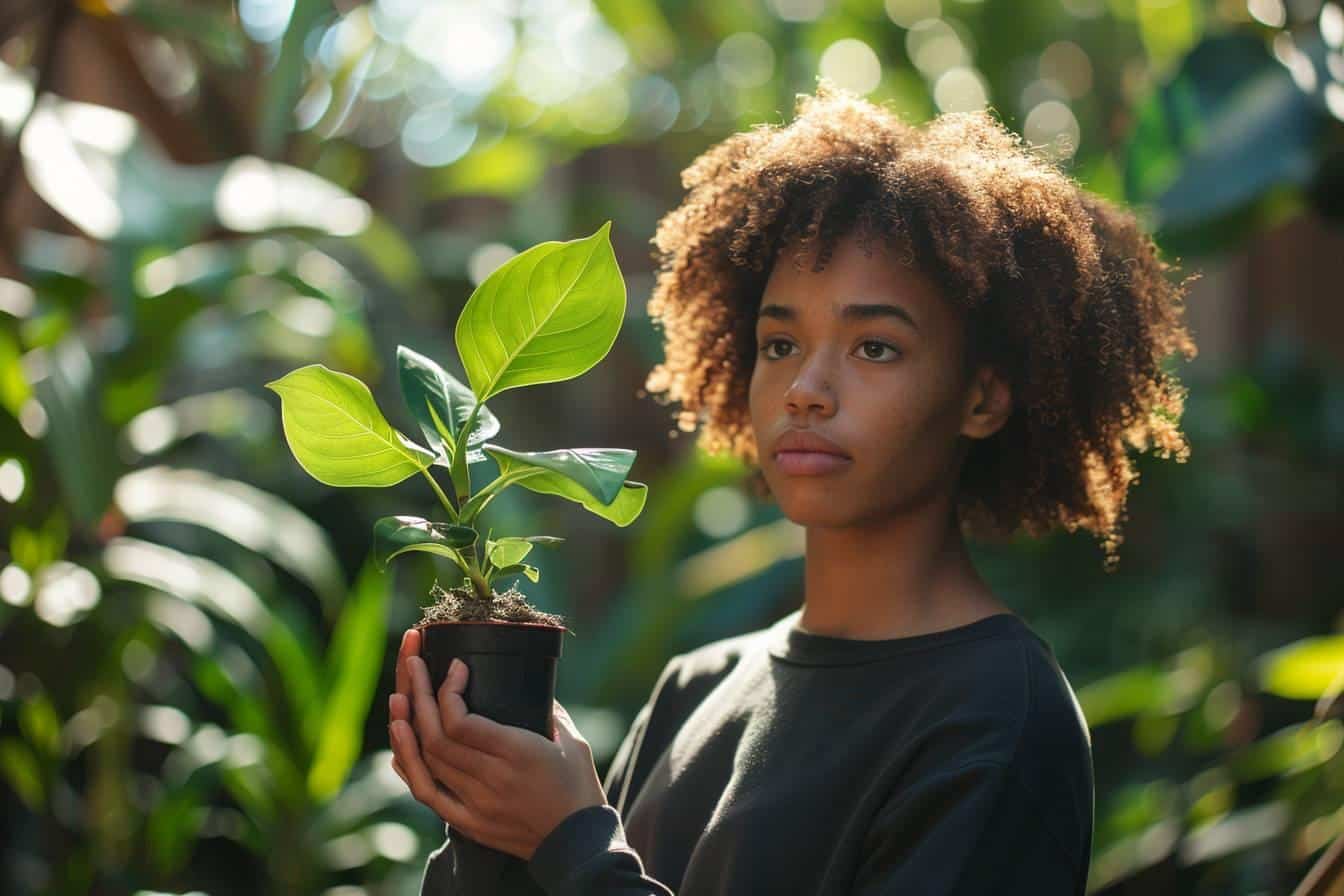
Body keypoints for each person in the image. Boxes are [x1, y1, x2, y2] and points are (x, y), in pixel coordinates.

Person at [387, 79, 1199, 895]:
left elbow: (587, 864)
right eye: (779, 344)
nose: (806, 388)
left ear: (981, 399)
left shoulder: (1000, 717)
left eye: (874, 347)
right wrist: (489, 828)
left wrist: (571, 841)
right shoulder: (696, 686)